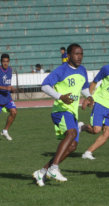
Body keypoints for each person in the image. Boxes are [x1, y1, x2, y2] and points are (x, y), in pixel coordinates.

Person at [33, 43, 92, 187]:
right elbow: (45, 86)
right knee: (71, 133)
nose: (79, 57)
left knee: (72, 147)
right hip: (60, 110)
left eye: (81, 54)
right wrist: (60, 97)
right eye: (76, 54)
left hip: (72, 112)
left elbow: (84, 87)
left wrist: (89, 97)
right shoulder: (61, 70)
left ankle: (42, 172)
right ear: (69, 55)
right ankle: (54, 168)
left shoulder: (82, 70)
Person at [0, 53, 17, 141]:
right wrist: (5, 87)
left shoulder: (10, 70)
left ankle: (5, 130)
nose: (5, 63)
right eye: (3, 61)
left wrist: (11, 88)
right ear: (1, 62)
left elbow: (8, 83)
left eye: (7, 61)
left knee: (14, 112)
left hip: (7, 97)